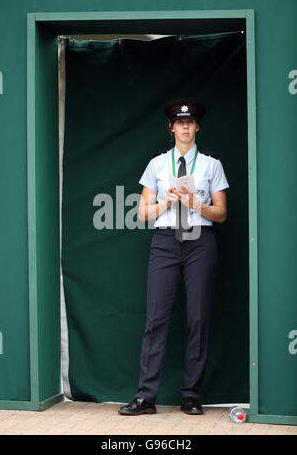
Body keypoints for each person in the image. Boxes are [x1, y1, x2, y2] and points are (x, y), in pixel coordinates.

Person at [118, 98, 229, 416]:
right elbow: (141, 214)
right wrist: (166, 202)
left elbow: (221, 213)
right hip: (165, 241)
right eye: (179, 122)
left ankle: (191, 395)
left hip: (199, 241)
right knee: (155, 320)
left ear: (197, 127)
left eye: (190, 122)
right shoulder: (157, 165)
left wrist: (197, 205)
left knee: (198, 318)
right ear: (171, 128)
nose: (184, 126)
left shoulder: (211, 164)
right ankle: (145, 397)